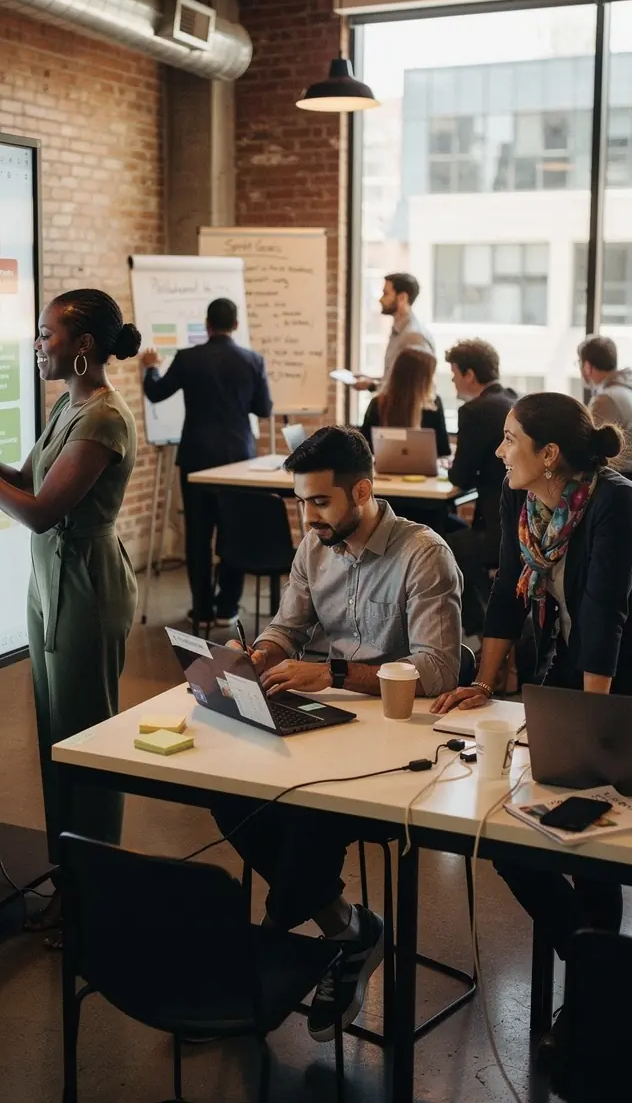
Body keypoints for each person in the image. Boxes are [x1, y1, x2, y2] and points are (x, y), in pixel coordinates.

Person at [214, 426, 462, 1042]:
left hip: (400, 740)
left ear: (362, 491)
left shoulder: (423, 553)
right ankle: (349, 928)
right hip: (327, 722)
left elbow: (436, 670)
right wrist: (257, 653)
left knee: (310, 815)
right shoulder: (313, 547)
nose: (308, 516)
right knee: (226, 789)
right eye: (300, 501)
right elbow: (287, 629)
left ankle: (270, 948)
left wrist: (330, 673)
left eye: (320, 502)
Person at [0, 289, 141, 946]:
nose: (38, 345)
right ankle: (68, 882)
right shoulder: (67, 407)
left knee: (87, 746)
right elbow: (26, 479)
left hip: (87, 590)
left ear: (82, 348)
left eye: (46, 335)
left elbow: (42, 510)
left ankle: (97, 893)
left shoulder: (104, 419)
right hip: (50, 587)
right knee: (57, 742)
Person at [431, 393, 632, 1080]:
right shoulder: (526, 499)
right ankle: (601, 980)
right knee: (514, 838)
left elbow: (605, 611)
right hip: (555, 682)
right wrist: (486, 681)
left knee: (593, 839)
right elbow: (506, 596)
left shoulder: (613, 502)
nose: (497, 449)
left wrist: (590, 735)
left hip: (613, 687)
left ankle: (589, 1005)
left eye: (510, 438)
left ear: (550, 454)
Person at [141, 298, 272, 628]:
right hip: (238, 461)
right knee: (234, 533)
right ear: (236, 325)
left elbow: (156, 393)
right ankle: (227, 608)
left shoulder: (188, 358)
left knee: (198, 537)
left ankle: (201, 610)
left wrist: (151, 367)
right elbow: (264, 409)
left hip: (196, 459)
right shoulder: (252, 360)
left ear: (207, 325)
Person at [444, 339, 517, 637]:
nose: (453, 381)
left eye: (454, 374)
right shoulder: (514, 400)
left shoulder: (474, 411)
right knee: (451, 527)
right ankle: (486, 619)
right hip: (518, 525)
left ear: (469, 375)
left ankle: (479, 624)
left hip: (498, 532)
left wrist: (449, 466)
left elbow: (460, 477)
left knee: (440, 544)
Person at [359, 345, 450, 457]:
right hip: (382, 471)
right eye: (430, 376)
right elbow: (363, 448)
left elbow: (443, 451)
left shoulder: (434, 404)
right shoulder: (379, 404)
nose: (433, 381)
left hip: (423, 473)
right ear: (420, 381)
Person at [352, 272, 435, 393]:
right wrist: (371, 381)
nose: (381, 299)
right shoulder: (399, 332)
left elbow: (413, 386)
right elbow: (396, 378)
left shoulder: (414, 336)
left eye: (386, 294)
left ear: (402, 298)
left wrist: (372, 385)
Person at [578, 335, 632, 477]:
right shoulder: (625, 390)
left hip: (621, 476)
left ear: (588, 367)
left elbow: (590, 447)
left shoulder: (605, 400)